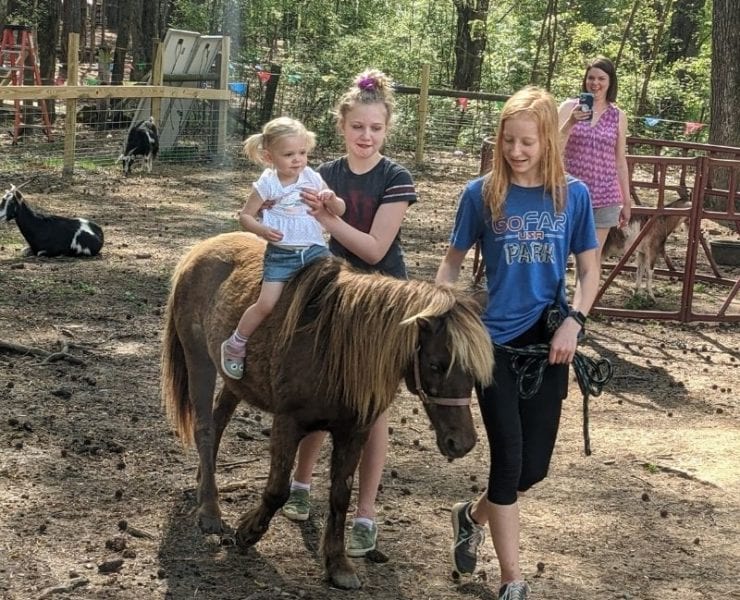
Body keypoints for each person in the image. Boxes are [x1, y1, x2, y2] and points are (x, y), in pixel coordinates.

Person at [435, 86, 600, 600]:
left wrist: (574, 321)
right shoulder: (480, 194)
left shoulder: (572, 195)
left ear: (548, 139)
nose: (517, 151)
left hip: (548, 344)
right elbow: (452, 262)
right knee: (507, 462)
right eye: (509, 140)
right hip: (492, 346)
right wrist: (441, 309)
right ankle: (513, 580)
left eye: (527, 141)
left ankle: (471, 515)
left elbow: (590, 270)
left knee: (534, 469)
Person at [282, 69, 417, 558]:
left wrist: (328, 219)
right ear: (342, 127)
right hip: (332, 300)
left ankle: (364, 514)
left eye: (375, 129)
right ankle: (299, 486)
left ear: (386, 130)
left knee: (371, 411)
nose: (366, 136)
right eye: (357, 127)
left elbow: (377, 250)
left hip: (381, 307)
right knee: (317, 396)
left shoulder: (395, 177)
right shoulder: (323, 176)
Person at [220, 117, 345, 380]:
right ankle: (236, 343)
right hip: (282, 255)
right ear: (269, 157)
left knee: (336, 290)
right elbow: (245, 216)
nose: (297, 160)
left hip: (314, 250)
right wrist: (262, 231)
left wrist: (332, 200)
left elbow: (340, 211)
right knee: (266, 304)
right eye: (289, 154)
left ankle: (332, 346)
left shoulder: (312, 177)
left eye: (302, 153)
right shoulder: (267, 184)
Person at [558, 55, 631, 265]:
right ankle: (553, 298)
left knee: (590, 259)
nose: (595, 84)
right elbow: (552, 147)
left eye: (601, 79)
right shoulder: (568, 107)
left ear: (610, 82)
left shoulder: (618, 115)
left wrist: (625, 200)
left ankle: (587, 299)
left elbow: (619, 160)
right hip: (568, 192)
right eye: (591, 78)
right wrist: (571, 122)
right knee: (558, 252)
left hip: (605, 195)